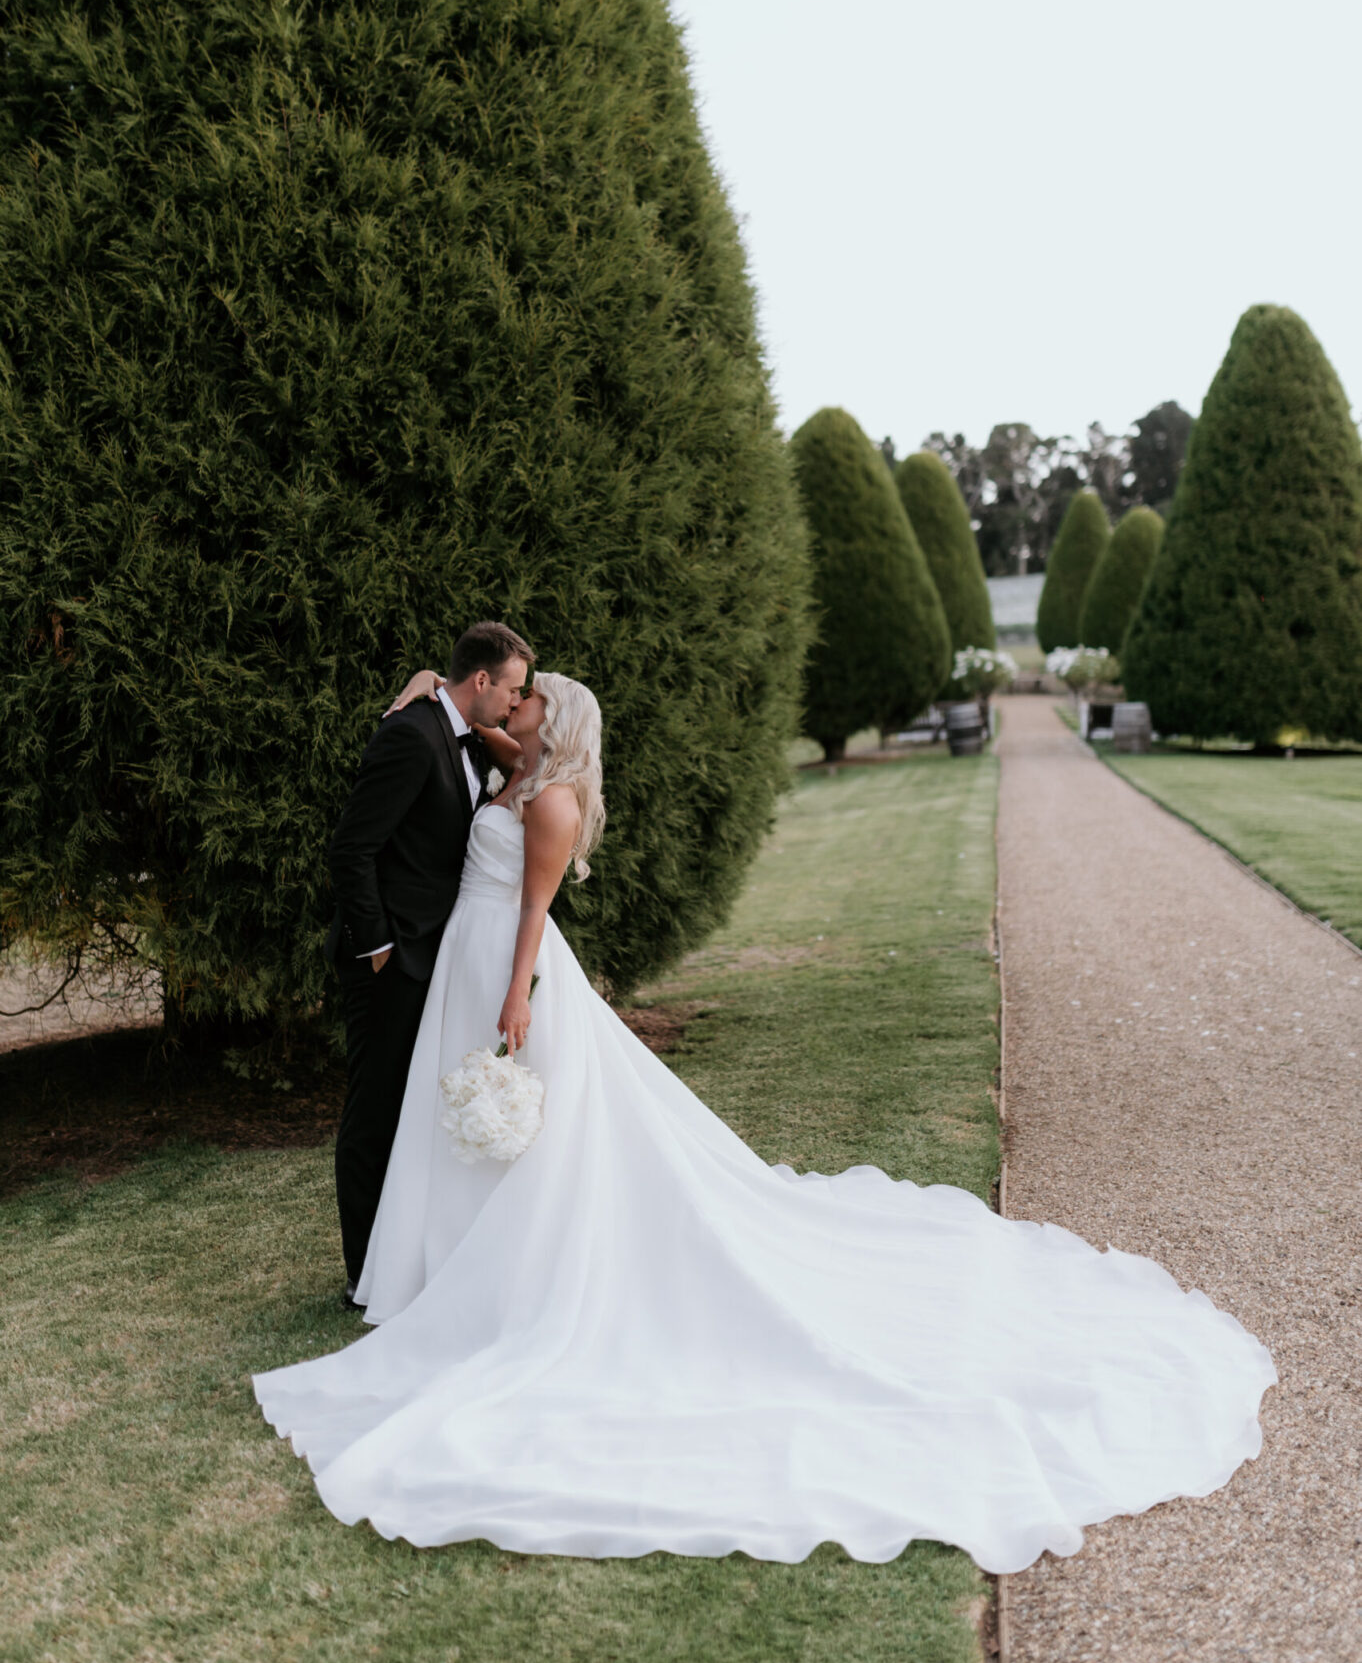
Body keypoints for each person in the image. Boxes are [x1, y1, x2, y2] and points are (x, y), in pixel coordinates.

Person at [257, 673, 1275, 1573]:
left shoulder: (554, 799)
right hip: (466, 958)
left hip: (508, 965)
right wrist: (432, 693)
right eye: (510, 695)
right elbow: (482, 737)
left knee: (542, 1135)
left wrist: (519, 988)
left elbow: (535, 904)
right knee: (480, 1125)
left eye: (528, 699)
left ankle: (504, 1272)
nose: (511, 708)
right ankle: (441, 1261)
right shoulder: (521, 767)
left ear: (552, 718)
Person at [324, 621, 534, 1308]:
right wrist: (378, 948)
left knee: (412, 1114)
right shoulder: (411, 736)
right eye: (511, 689)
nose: (513, 702)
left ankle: (404, 1257)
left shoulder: (465, 733)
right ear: (481, 681)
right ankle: (364, 1276)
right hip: (392, 962)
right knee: (375, 1114)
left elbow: (530, 755)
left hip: (434, 960)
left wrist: (425, 677)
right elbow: (352, 848)